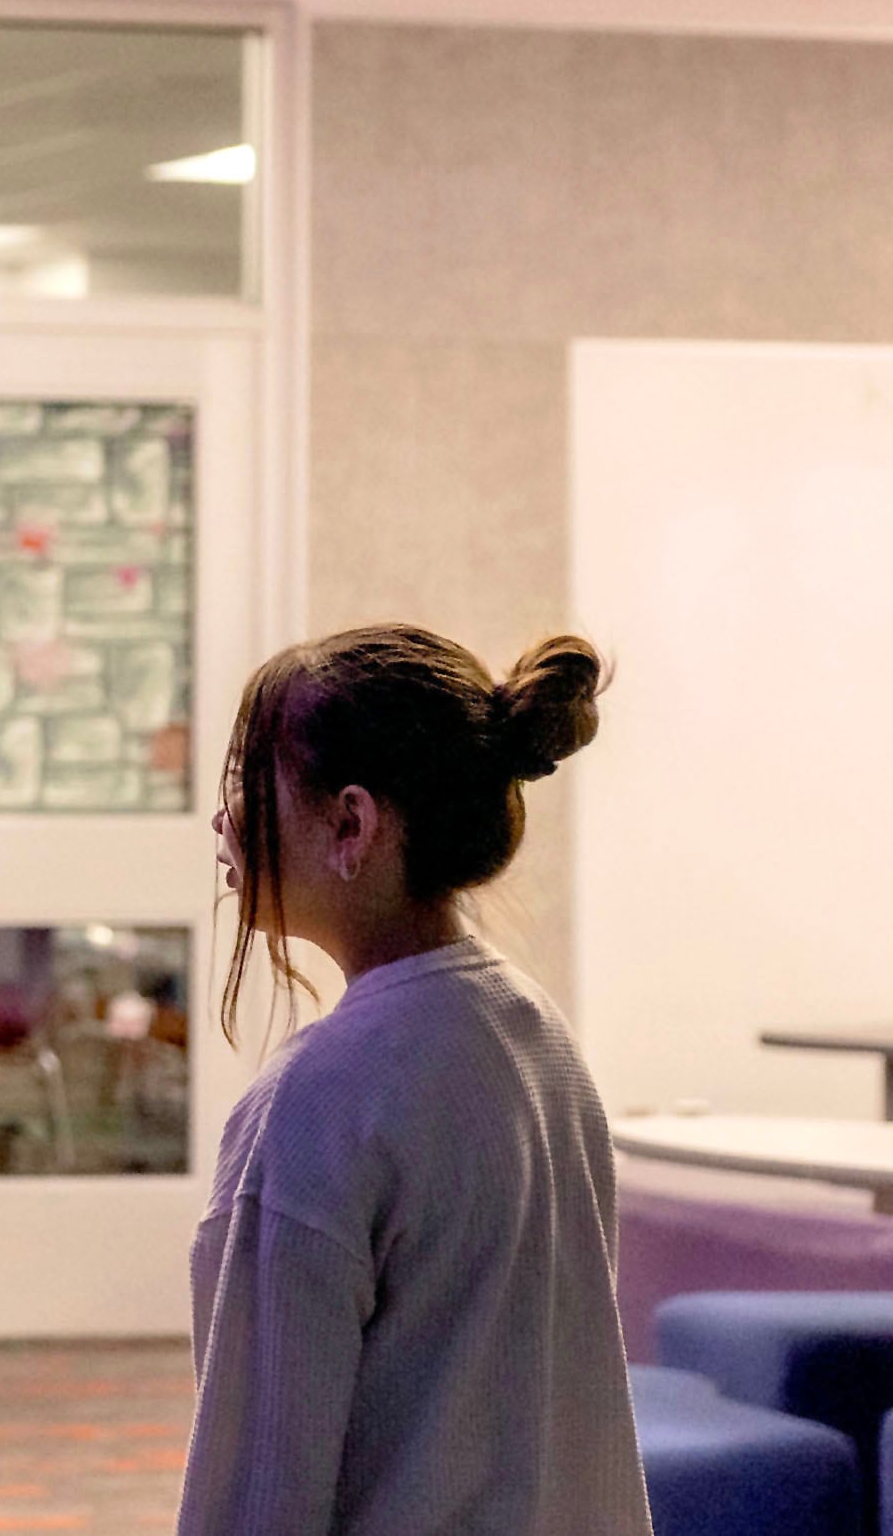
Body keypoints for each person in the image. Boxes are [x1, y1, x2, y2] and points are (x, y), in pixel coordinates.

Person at [177, 625, 651, 1536]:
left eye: (245, 779)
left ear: (352, 824)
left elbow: (257, 1495)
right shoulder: (538, 1037)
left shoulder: (318, 1102)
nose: (224, 817)